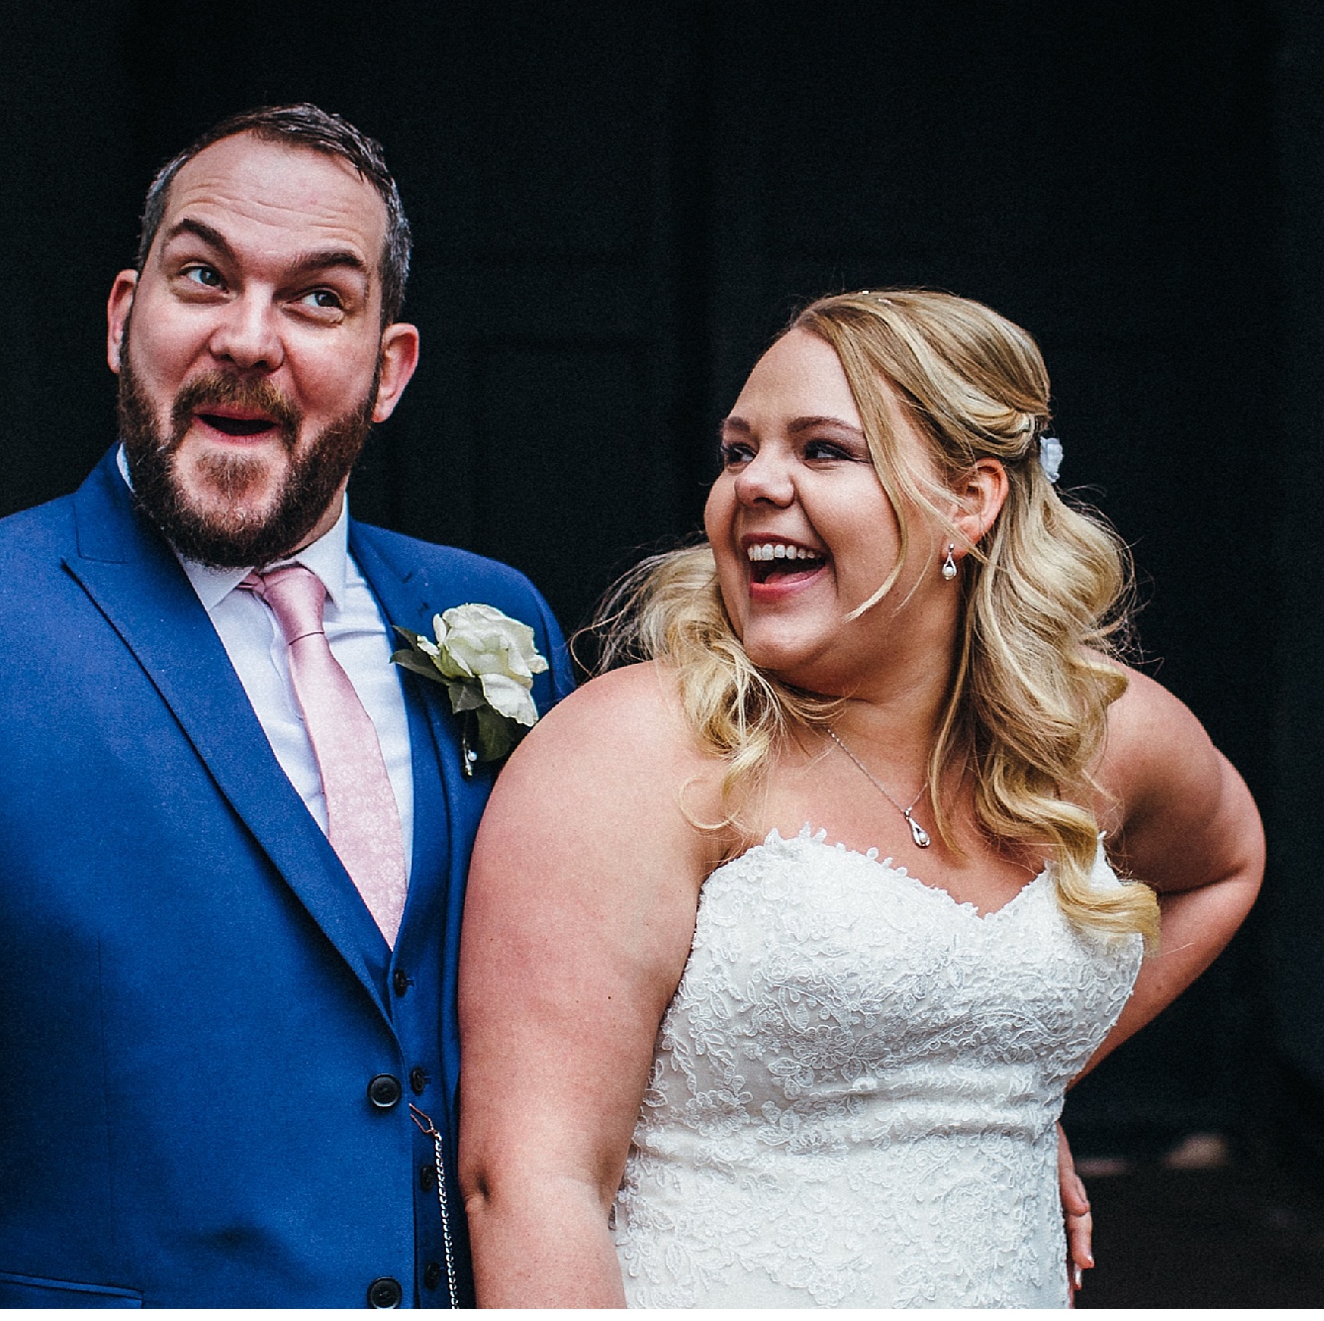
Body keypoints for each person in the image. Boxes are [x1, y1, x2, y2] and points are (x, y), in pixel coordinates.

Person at [0, 104, 571, 1306]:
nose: (247, 337)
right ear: (126, 318)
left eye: (319, 299)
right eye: (202, 276)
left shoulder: (497, 619)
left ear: (390, 371)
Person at [455, 289, 1265, 1307]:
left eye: (823, 450)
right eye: (739, 450)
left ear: (969, 502)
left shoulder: (1098, 732)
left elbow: (1226, 863)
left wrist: (1022, 1079)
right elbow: (531, 1181)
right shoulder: (638, 749)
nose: (755, 484)